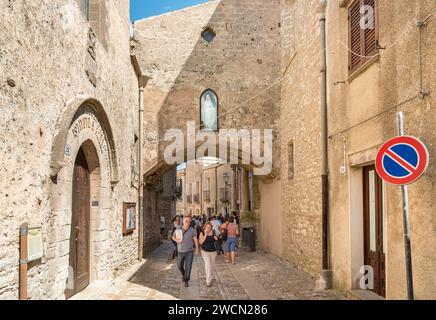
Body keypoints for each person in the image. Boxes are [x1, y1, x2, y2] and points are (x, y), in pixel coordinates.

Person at [172, 216, 199, 287]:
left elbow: (196, 240)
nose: (188, 222)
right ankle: (184, 274)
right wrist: (176, 240)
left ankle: (186, 280)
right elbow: (173, 237)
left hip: (189, 251)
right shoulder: (178, 228)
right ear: (183, 221)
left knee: (188, 266)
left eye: (189, 221)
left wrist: (196, 249)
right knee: (179, 266)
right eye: (186, 221)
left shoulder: (192, 230)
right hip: (180, 251)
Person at [199, 222, 219, 287]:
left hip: (213, 252)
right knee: (208, 265)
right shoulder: (202, 233)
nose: (208, 228)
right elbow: (201, 242)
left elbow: (217, 239)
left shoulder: (213, 232)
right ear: (204, 227)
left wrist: (216, 238)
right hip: (205, 251)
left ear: (211, 227)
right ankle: (208, 281)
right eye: (207, 227)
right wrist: (205, 234)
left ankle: (210, 277)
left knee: (212, 266)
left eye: (209, 227)